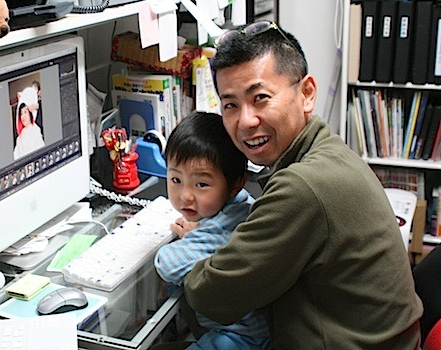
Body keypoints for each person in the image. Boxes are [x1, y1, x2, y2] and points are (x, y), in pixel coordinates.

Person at [181, 21, 423, 348]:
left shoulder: (304, 186)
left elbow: (210, 296)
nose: (246, 121)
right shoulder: (328, 148)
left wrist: (197, 245)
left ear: (306, 93)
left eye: (261, 98)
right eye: (230, 105)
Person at [153, 112, 272, 350]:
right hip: (261, 332)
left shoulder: (219, 227)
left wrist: (191, 240)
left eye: (201, 184)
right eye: (176, 180)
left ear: (235, 182)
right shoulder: (242, 205)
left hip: (240, 340)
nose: (185, 196)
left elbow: (165, 263)